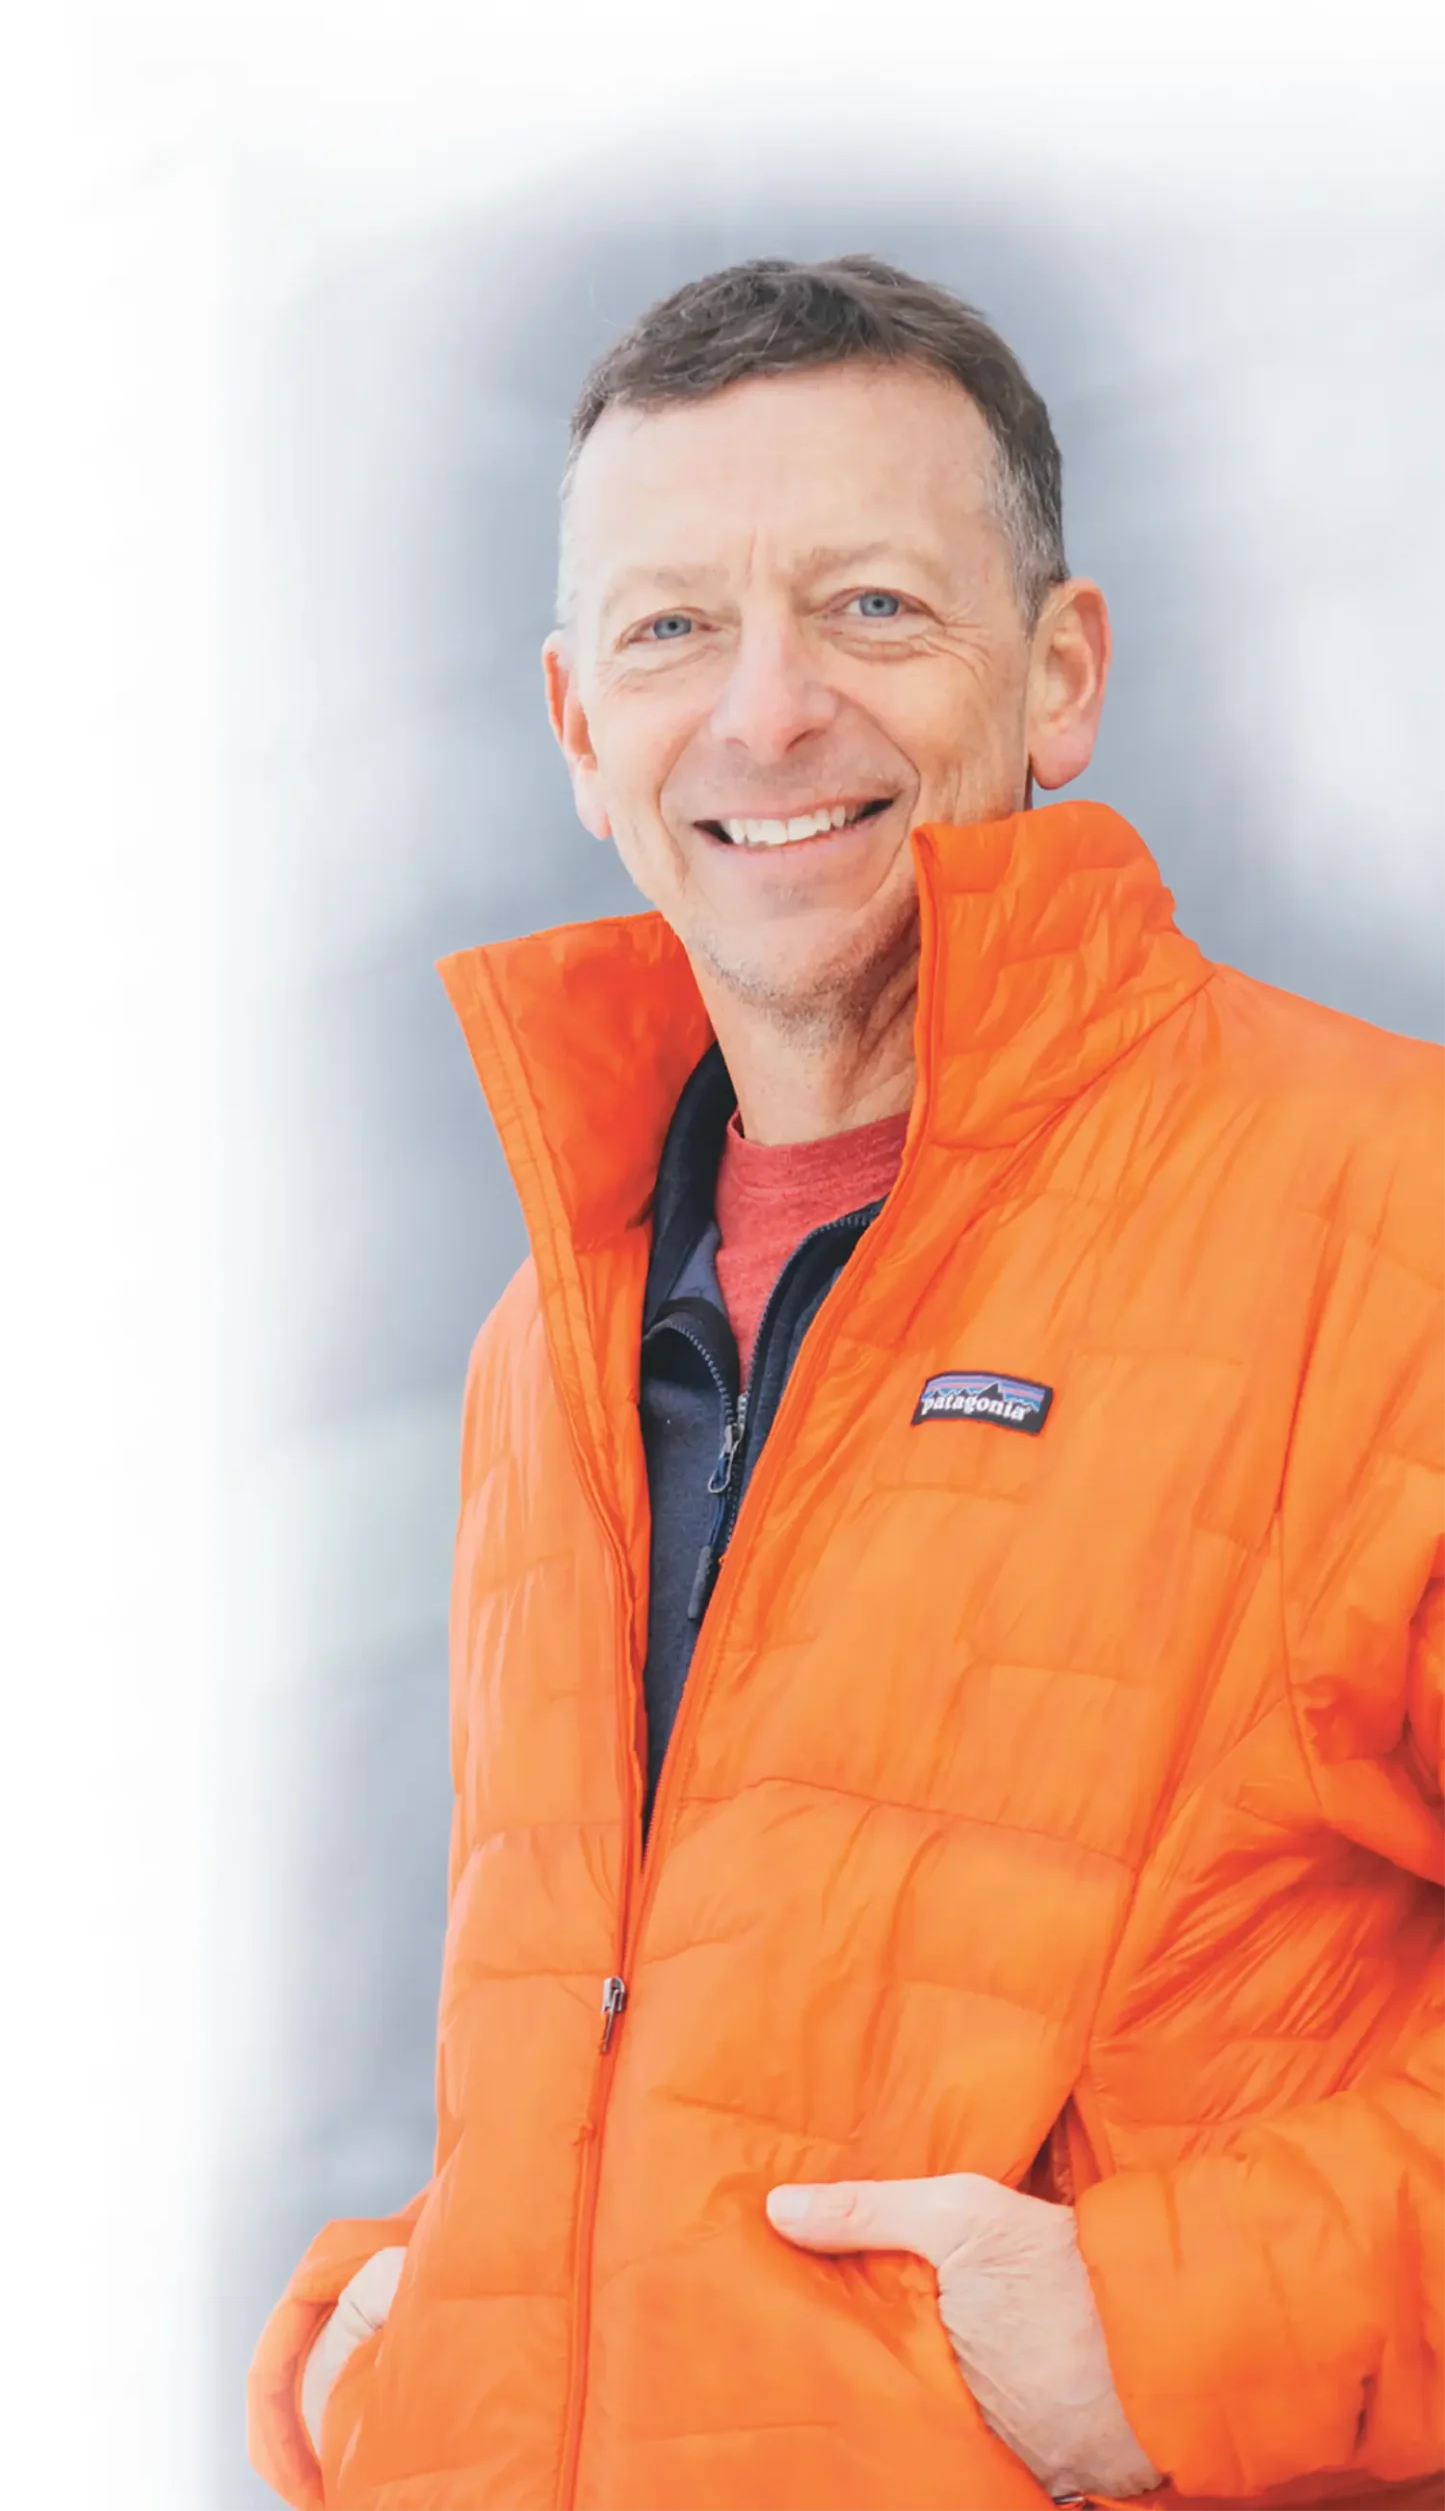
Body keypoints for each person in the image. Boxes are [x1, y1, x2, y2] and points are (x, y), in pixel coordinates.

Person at [248, 255, 1445, 2511]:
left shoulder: (1388, 1210)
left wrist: (1165, 2336)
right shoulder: (554, 1329)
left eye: (875, 608)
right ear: (573, 723)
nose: (768, 710)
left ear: (1058, 672)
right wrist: (407, 2333)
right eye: (670, 627)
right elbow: (653, 2035)